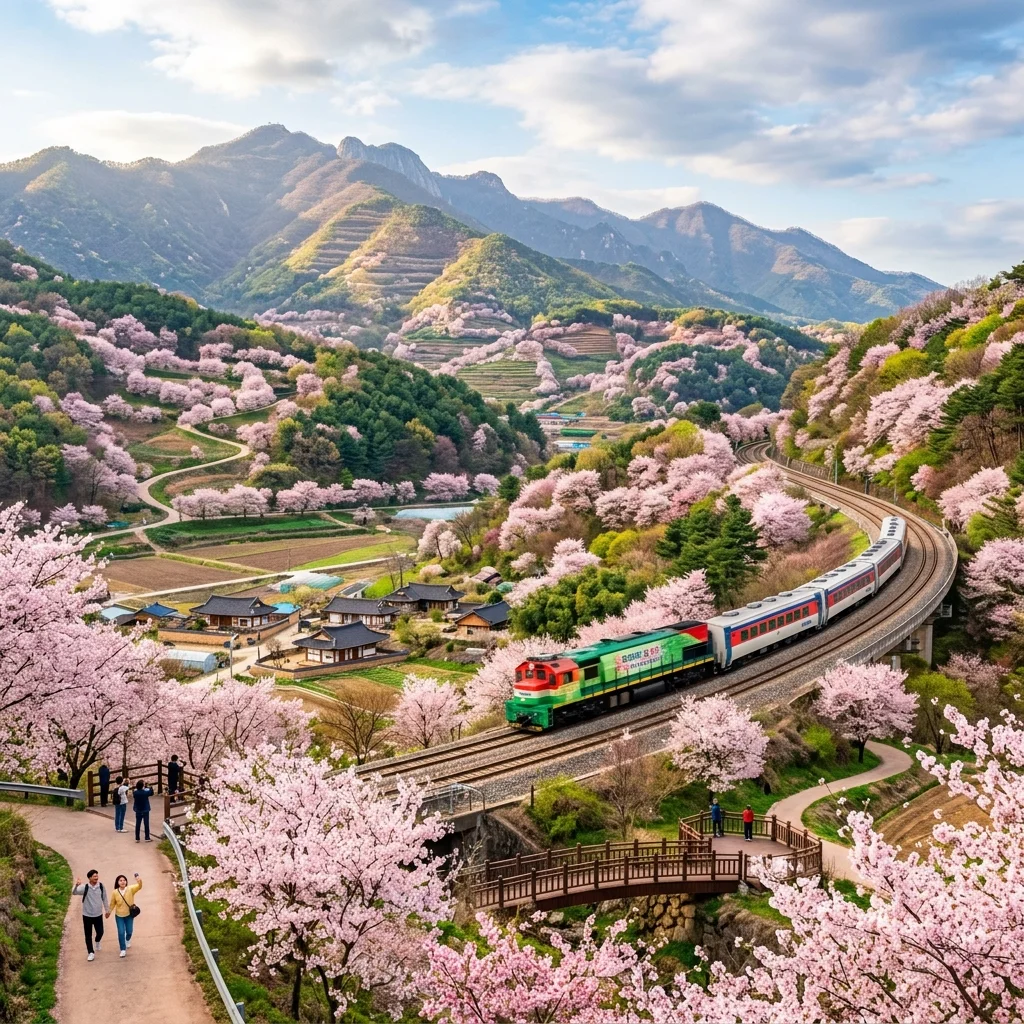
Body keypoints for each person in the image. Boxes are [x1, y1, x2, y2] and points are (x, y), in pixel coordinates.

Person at [72, 869, 110, 961]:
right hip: (87, 915)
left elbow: (104, 898)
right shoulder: (85, 887)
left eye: (97, 875)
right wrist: (76, 885)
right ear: (89, 878)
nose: (96, 877)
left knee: (100, 932)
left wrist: (107, 910)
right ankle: (91, 952)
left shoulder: (101, 886)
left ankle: (97, 941)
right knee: (88, 935)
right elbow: (74, 892)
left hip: (98, 915)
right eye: (94, 876)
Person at [111, 872, 142, 957]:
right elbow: (112, 903)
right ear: (117, 882)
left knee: (129, 931)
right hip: (119, 915)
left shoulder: (130, 889)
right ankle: (123, 949)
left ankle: (127, 939)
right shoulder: (115, 892)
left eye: (124, 880)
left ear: (126, 882)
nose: (122, 882)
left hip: (129, 915)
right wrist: (108, 912)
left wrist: (139, 881)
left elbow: (139, 886)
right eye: (120, 880)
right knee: (121, 932)